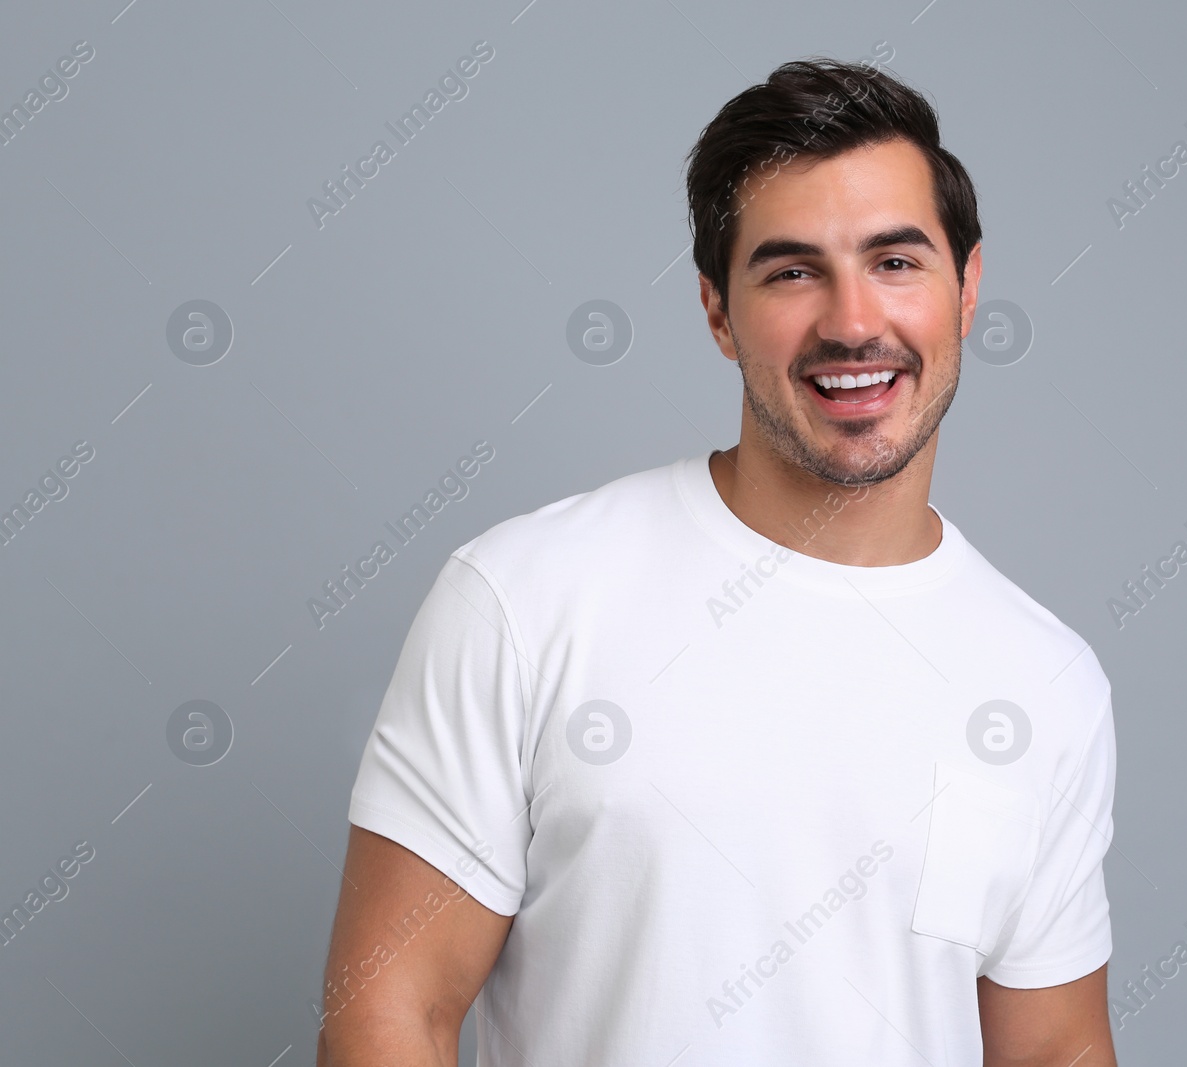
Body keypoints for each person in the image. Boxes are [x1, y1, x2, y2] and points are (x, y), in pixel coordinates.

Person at [316, 56, 1118, 1067]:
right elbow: (393, 1010)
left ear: (966, 288)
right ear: (714, 310)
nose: (852, 322)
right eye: (791, 271)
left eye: (895, 262)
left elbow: (1054, 1048)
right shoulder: (526, 598)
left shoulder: (1043, 680)